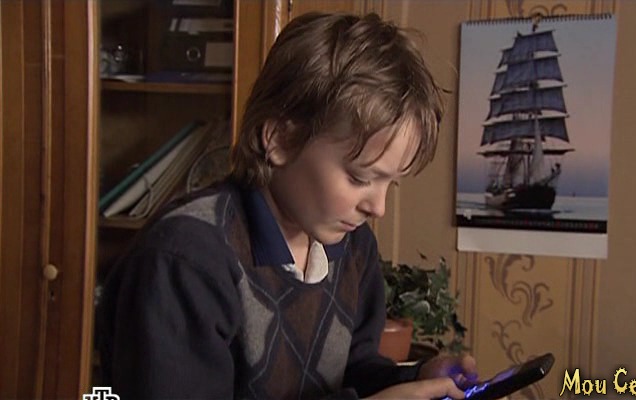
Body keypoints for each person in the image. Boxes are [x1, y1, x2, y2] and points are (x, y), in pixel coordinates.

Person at [97, 11, 478, 400]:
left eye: (390, 184)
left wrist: (416, 379)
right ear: (279, 139)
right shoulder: (185, 261)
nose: (378, 208)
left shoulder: (353, 247)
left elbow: (352, 372)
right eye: (360, 178)